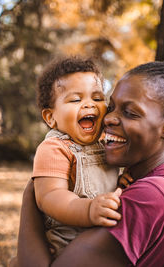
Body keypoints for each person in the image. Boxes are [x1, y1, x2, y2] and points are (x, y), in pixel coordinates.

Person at [15, 61, 164, 267]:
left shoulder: (151, 196)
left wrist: (31, 196)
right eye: (111, 107)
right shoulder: (144, 182)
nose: (109, 118)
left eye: (130, 113)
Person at [30, 57, 127, 257]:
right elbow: (49, 197)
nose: (89, 105)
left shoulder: (105, 144)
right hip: (66, 246)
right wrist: (89, 209)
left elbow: (99, 184)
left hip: (100, 241)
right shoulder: (55, 148)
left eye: (98, 98)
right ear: (50, 117)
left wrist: (119, 184)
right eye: (76, 100)